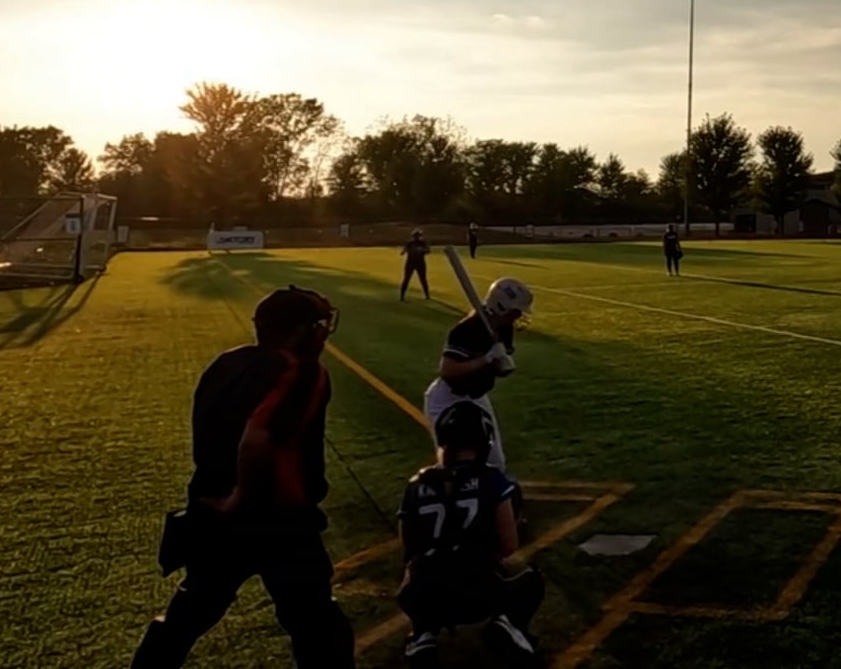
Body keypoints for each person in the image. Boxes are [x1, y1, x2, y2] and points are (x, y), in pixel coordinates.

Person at [131, 287, 354, 668]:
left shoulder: (227, 363)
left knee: (187, 615)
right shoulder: (303, 373)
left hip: (211, 512)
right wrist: (241, 497)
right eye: (319, 325)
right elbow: (257, 438)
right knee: (318, 626)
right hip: (276, 518)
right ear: (301, 331)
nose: (323, 333)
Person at [397, 402, 544, 666]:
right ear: (484, 441)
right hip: (476, 595)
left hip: (422, 595)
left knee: (417, 566)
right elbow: (509, 545)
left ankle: (422, 633)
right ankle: (508, 623)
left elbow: (409, 546)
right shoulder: (493, 481)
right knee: (530, 579)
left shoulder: (415, 485)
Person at [421, 277, 534, 473]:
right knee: (453, 463)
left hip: (476, 396)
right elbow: (448, 371)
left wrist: (502, 364)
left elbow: (500, 370)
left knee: (495, 462)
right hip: (447, 398)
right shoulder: (467, 329)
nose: (518, 316)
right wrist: (486, 359)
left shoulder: (504, 328)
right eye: (515, 312)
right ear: (501, 307)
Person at [401, 230, 432, 302]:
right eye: (416, 236)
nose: (417, 237)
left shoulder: (423, 243)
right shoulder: (409, 243)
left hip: (420, 263)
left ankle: (427, 295)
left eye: (418, 236)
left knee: (423, 279)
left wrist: (421, 250)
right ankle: (402, 296)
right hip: (410, 263)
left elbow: (428, 250)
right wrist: (404, 251)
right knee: (406, 279)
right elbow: (404, 249)